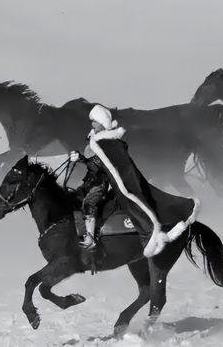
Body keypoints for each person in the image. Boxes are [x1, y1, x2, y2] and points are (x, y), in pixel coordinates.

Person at [70, 104, 199, 257]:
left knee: (90, 203)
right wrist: (83, 157)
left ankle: (90, 238)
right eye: (92, 121)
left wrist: (82, 159)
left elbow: (101, 165)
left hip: (105, 181)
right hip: (95, 179)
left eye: (95, 122)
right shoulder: (97, 139)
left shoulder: (107, 142)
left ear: (102, 123)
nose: (92, 124)